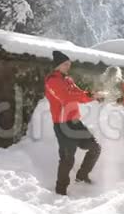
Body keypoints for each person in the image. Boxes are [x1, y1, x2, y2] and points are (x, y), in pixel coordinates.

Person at [44, 50, 102, 195]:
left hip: (76, 122)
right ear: (57, 65)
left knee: (95, 148)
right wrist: (85, 95)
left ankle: (82, 176)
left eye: (69, 64)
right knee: (67, 158)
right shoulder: (52, 81)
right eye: (65, 64)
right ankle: (60, 190)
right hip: (63, 124)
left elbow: (80, 95)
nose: (68, 66)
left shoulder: (68, 80)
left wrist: (92, 95)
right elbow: (66, 97)